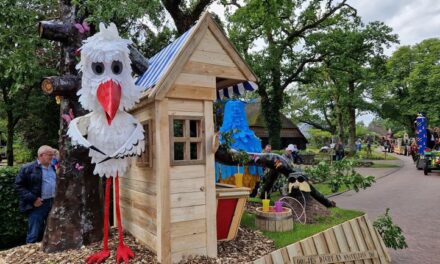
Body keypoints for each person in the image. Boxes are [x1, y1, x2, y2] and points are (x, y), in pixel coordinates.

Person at [15, 145, 56, 243]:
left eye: (53, 155)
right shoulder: (28, 168)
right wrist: (33, 199)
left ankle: (46, 253)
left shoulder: (53, 167)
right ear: (41, 155)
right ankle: (28, 254)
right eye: (50, 155)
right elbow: (18, 186)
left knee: (51, 230)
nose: (52, 157)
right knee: (34, 233)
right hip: (38, 204)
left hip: (52, 202)